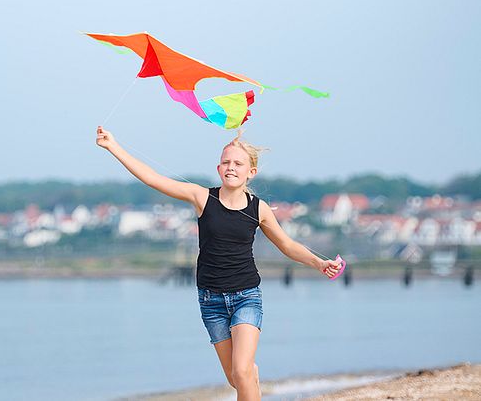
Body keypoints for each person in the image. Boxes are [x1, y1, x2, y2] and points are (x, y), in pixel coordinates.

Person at [95, 125, 343, 401]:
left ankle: (249, 373)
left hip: (246, 296)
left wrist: (319, 263)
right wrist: (113, 146)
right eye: (226, 162)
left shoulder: (257, 208)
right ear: (218, 168)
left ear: (251, 172)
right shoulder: (202, 198)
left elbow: (287, 245)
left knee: (241, 371)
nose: (231, 167)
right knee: (237, 378)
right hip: (211, 301)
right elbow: (153, 179)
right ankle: (250, 376)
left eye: (238, 163)